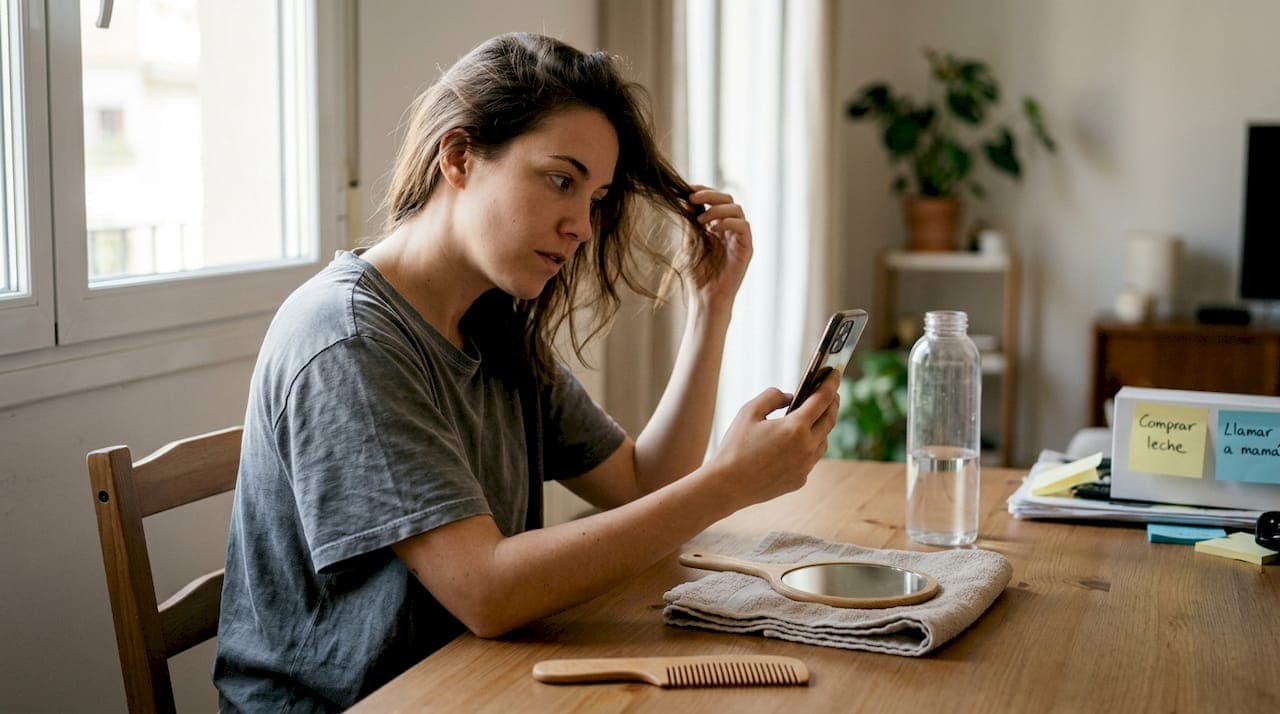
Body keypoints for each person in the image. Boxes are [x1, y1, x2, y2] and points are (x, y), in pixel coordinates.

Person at [213, 32, 839, 711]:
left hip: (472, 682)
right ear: (458, 157)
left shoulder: (490, 322)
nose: (581, 227)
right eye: (561, 181)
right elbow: (486, 592)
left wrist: (711, 306)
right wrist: (728, 484)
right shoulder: (349, 340)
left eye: (595, 198)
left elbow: (641, 483)